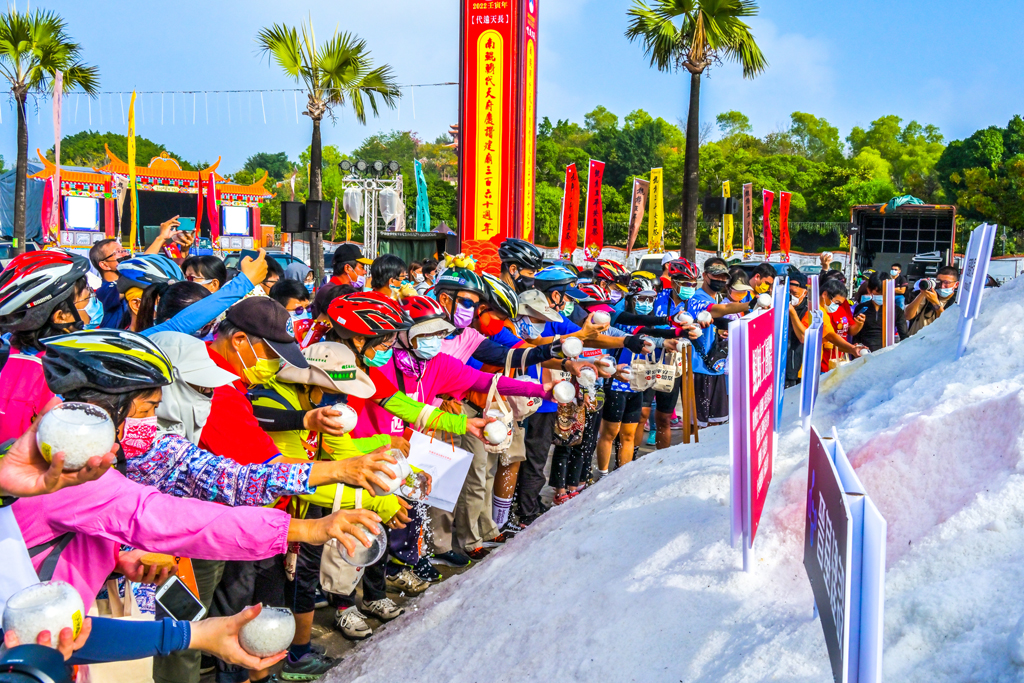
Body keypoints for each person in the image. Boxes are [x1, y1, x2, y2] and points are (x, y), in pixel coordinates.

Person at [688, 258, 757, 427]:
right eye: (715, 275)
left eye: (723, 277)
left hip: (716, 368)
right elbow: (721, 310)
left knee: (715, 424)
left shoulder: (716, 297)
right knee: (698, 427)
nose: (719, 280)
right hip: (699, 368)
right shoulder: (697, 299)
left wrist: (719, 332)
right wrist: (751, 305)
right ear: (704, 275)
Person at [852, 272, 908, 352]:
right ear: (869, 290)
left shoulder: (896, 310)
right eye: (878, 293)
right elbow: (856, 336)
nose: (882, 296)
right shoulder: (861, 308)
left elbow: (904, 336)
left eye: (884, 293)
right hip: (864, 354)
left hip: (886, 354)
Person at [904, 266, 959, 335]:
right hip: (915, 341)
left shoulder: (958, 302)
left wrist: (935, 302)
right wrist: (922, 292)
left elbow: (946, 325)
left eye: (946, 283)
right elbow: (907, 316)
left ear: (956, 284)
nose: (942, 286)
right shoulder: (927, 295)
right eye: (939, 282)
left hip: (934, 343)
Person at [785, 271, 810, 388]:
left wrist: (792, 313)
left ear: (805, 292)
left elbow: (803, 337)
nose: (790, 296)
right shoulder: (780, 305)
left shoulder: (809, 309)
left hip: (796, 366)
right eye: (788, 292)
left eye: (793, 293)